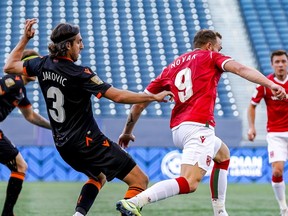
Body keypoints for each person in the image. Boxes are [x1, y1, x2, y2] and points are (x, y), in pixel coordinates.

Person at [3, 18, 174, 216]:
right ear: (68, 45)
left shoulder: (43, 64)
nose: (82, 46)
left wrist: (25, 38)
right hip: (88, 141)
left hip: (63, 144)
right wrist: (152, 96)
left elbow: (9, 66)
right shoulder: (80, 73)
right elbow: (117, 96)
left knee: (97, 176)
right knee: (140, 181)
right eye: (79, 42)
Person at [115, 29, 287, 216]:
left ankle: (220, 211)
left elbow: (139, 104)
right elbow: (240, 69)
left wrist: (126, 131)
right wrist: (270, 84)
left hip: (179, 128)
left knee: (223, 155)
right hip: (198, 127)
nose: (220, 52)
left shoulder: (171, 68)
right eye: (219, 48)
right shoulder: (211, 57)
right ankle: (135, 202)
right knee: (189, 182)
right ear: (209, 46)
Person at [0, 49, 51, 216]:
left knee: (20, 166)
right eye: (34, 64)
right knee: (20, 166)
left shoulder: (21, 90)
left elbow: (31, 116)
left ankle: (8, 213)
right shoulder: (13, 80)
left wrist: (55, 126)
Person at [247, 50, 288, 216]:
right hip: (275, 133)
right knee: (277, 171)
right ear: (272, 64)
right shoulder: (265, 84)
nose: (280, 64)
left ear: (287, 63)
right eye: (277, 62)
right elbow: (251, 105)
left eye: (283, 61)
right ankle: (284, 208)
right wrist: (252, 127)